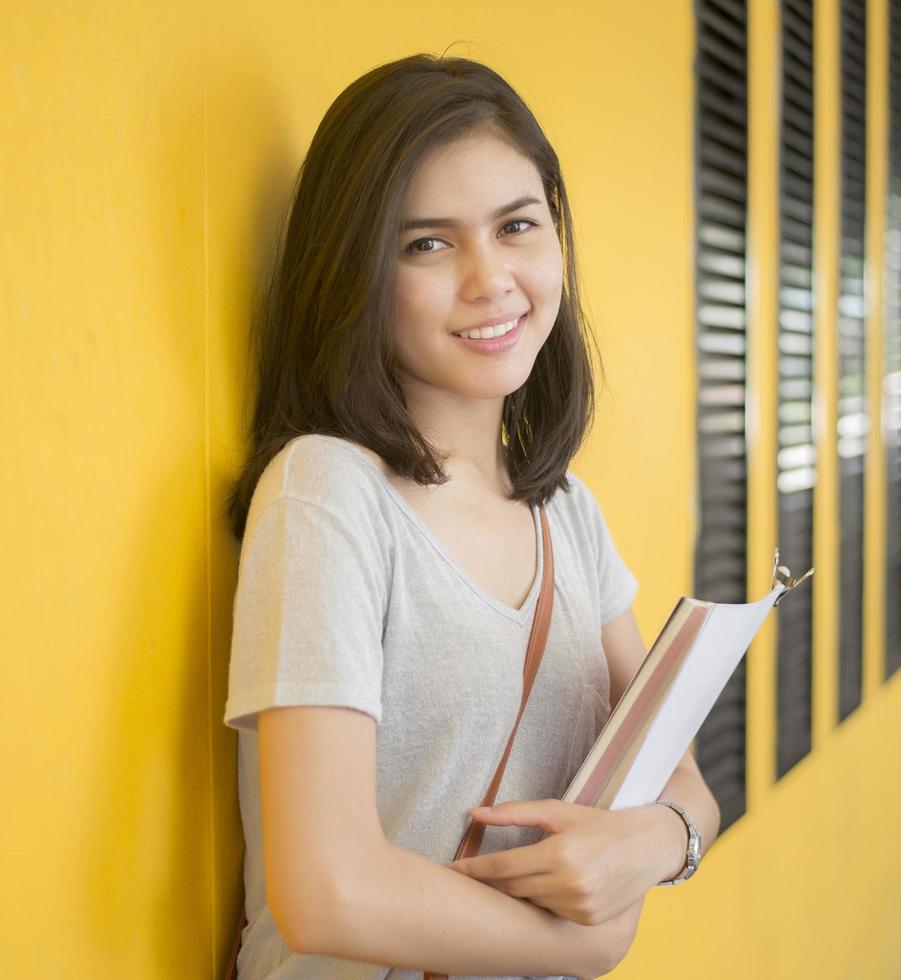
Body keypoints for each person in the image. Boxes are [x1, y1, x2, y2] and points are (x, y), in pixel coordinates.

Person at [221, 53, 721, 979]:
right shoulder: (327, 494)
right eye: (428, 244)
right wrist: (590, 940)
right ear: (357, 272)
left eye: (517, 226)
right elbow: (325, 888)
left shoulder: (566, 513)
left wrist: (652, 844)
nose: (491, 279)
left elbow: (683, 780)